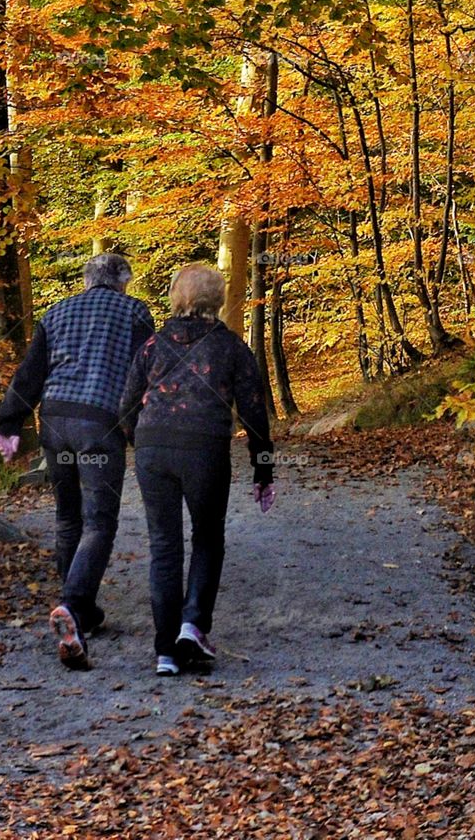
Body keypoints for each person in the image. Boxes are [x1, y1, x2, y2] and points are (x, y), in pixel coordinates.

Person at [0, 252, 154, 669]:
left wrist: (8, 424)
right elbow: (142, 375)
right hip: (100, 422)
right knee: (100, 521)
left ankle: (79, 613)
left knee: (68, 518)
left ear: (86, 281)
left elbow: (30, 373)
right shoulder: (136, 312)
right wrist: (138, 427)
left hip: (56, 420)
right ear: (124, 281)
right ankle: (73, 606)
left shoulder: (56, 312)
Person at [120, 263, 276, 677]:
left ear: (177, 297)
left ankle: (164, 652)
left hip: (153, 448)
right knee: (207, 537)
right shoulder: (231, 348)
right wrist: (263, 470)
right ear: (218, 300)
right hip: (204, 448)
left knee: (164, 546)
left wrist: (145, 445)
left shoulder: (152, 346)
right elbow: (255, 414)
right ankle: (193, 626)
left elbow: (126, 407)